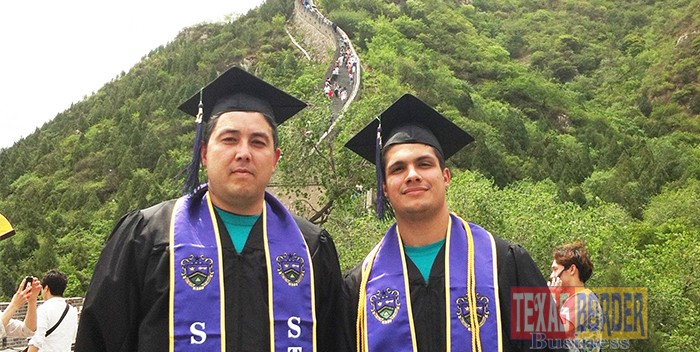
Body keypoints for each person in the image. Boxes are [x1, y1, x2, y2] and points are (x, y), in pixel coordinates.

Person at [75, 66, 346, 351]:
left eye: (258, 142)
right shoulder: (148, 236)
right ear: (204, 153)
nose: (243, 152)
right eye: (229, 139)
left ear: (275, 158)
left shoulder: (311, 247)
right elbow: (101, 341)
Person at [343, 93, 553, 351]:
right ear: (385, 188)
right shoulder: (359, 287)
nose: (412, 175)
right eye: (398, 169)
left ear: (445, 177)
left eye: (424, 164)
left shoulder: (510, 263)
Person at [548, 241, 603, 351]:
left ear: (572, 269)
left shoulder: (583, 299)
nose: (551, 276)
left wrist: (551, 298)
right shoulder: (574, 298)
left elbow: (555, 332)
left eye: (555, 269)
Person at [26, 269, 78, 352]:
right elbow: (73, 337)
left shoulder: (44, 309)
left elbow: (37, 340)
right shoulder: (72, 310)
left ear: (46, 288)